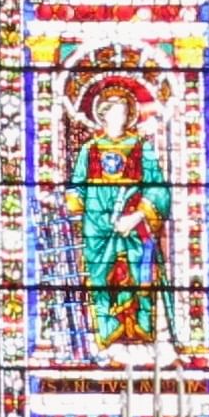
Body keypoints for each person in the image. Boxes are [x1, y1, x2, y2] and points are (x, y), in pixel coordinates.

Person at [66, 86, 170, 350]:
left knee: (137, 274)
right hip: (98, 228)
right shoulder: (89, 150)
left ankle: (139, 334)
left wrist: (137, 216)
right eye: (114, 112)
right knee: (101, 279)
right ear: (103, 116)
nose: (120, 117)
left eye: (124, 112)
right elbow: (76, 187)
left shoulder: (141, 148)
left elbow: (157, 188)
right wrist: (76, 206)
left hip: (133, 227)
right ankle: (107, 336)